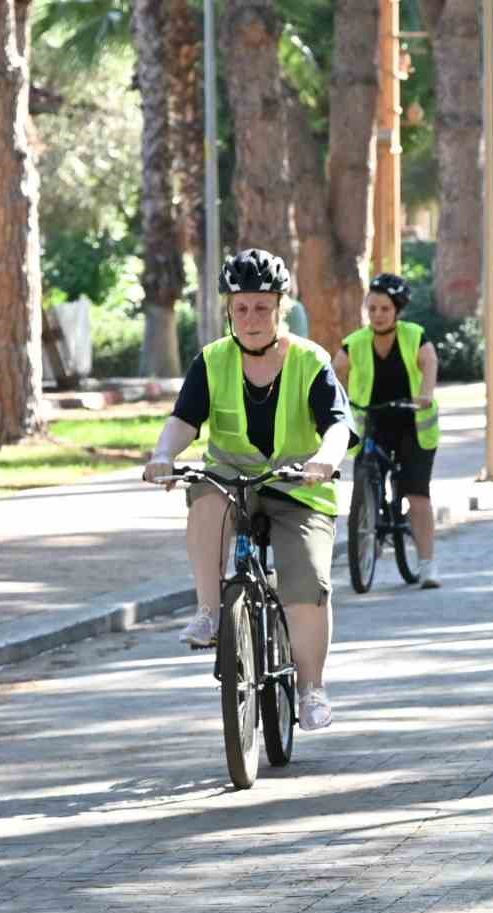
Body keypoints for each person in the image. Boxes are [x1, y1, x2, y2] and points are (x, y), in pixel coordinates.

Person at [141, 248, 354, 731]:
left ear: (281, 307)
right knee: (204, 499)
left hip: (298, 485)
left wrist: (325, 460)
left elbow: (338, 424)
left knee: (305, 583)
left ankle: (311, 689)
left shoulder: (310, 359)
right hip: (232, 479)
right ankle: (209, 614)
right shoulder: (212, 361)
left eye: (262, 307)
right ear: (228, 310)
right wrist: (161, 457)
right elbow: (182, 421)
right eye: (242, 308)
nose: (252, 317)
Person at [334, 273, 442, 587]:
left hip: (412, 424)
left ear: (397, 310)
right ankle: (369, 511)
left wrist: (426, 394)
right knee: (366, 473)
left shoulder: (414, 335)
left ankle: (427, 566)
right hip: (374, 422)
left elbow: (429, 362)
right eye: (373, 309)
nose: (378, 315)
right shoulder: (355, 342)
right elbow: (333, 371)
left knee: (417, 495)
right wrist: (334, 402)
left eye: (384, 309)